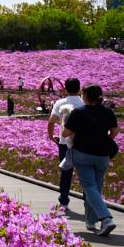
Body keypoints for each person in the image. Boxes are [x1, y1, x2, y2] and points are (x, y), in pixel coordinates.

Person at [63, 85, 118, 236]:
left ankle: (106, 219)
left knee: (89, 186)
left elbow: (66, 132)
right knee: (95, 187)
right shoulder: (108, 112)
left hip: (83, 154)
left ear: (86, 96)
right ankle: (91, 221)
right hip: (103, 155)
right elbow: (114, 131)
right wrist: (105, 141)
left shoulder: (79, 112)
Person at [48, 78, 83, 210]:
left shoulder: (60, 103)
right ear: (79, 88)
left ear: (65, 89)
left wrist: (51, 136)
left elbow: (51, 121)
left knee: (66, 171)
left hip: (64, 142)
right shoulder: (84, 103)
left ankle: (64, 201)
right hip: (82, 143)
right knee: (84, 173)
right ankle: (88, 202)